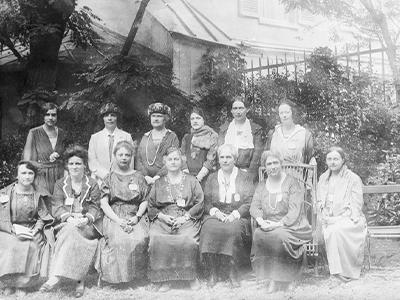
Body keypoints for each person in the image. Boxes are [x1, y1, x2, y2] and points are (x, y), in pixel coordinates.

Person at [40, 145, 103, 298]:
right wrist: (69, 218)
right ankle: (79, 280)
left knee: (74, 231)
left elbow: (96, 206)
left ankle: (56, 276)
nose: (74, 167)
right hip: (66, 223)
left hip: (86, 224)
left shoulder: (92, 184)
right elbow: (57, 207)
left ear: (84, 165)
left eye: (78, 163)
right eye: (71, 163)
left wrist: (86, 218)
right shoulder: (60, 184)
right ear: (67, 166)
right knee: (70, 230)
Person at [250, 150, 312, 293]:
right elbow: (254, 206)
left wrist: (278, 224)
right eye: (269, 164)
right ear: (265, 167)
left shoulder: (292, 183)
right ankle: (272, 277)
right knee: (259, 234)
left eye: (275, 163)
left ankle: (289, 277)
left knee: (279, 236)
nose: (273, 167)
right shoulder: (261, 185)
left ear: (281, 164)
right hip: (269, 224)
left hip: (293, 225)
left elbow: (295, 211)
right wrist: (261, 221)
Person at [147, 146, 204, 292]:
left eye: (176, 159)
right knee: (157, 238)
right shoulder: (158, 182)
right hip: (164, 218)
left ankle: (190, 277)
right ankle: (165, 279)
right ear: (165, 161)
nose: (173, 162)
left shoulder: (192, 180)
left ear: (182, 160)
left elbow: (199, 203)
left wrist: (185, 217)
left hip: (186, 217)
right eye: (170, 159)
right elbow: (151, 205)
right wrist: (162, 216)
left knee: (188, 238)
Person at [200, 144, 255, 288]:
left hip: (238, 215)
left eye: (228, 157)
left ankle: (232, 271)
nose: (225, 160)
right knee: (208, 229)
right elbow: (206, 203)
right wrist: (216, 212)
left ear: (235, 159)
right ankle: (213, 272)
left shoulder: (244, 177)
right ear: (218, 159)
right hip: (216, 215)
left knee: (232, 230)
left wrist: (234, 215)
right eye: (222, 157)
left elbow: (249, 202)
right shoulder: (212, 178)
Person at [96, 141, 149, 284]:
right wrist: (118, 221)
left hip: (135, 213)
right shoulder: (109, 177)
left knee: (140, 238)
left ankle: (136, 278)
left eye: (127, 155)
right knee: (118, 239)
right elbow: (104, 203)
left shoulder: (138, 176)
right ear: (114, 156)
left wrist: (137, 217)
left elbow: (145, 199)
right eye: (120, 155)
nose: (124, 158)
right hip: (115, 215)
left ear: (131, 157)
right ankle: (117, 279)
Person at [0, 161, 53, 297]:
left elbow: (43, 216)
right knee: (11, 245)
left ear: (34, 176)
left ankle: (22, 285)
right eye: (23, 173)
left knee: (33, 245)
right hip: (10, 229)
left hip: (31, 229)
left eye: (30, 173)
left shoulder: (39, 194)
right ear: (17, 175)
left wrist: (36, 229)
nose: (27, 176)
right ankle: (8, 283)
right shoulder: (6, 193)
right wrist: (13, 229)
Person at [316, 147, 367, 286]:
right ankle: (336, 272)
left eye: (336, 159)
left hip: (350, 218)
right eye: (329, 159)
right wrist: (323, 212)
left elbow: (356, 205)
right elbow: (319, 200)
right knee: (330, 229)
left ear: (343, 160)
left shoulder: (353, 178)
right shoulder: (323, 178)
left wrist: (337, 219)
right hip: (328, 218)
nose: (332, 162)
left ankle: (339, 273)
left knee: (335, 230)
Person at [22, 102, 66, 196]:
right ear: (43, 116)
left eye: (53, 115)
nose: (50, 118)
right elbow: (27, 160)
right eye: (47, 114)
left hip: (59, 176)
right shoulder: (34, 133)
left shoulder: (62, 133)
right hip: (41, 177)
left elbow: (65, 156)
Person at [88, 102, 135, 185]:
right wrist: (107, 176)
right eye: (106, 115)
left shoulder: (126, 136)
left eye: (113, 115)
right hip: (100, 180)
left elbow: (130, 162)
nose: (109, 118)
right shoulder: (95, 138)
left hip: (121, 180)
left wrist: (124, 178)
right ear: (102, 118)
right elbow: (92, 162)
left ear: (117, 118)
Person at [218, 96, 263, 178]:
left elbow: (257, 155)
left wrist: (249, 175)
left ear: (247, 109)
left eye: (241, 108)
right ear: (231, 110)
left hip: (247, 172)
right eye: (235, 108)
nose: (238, 112)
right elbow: (220, 152)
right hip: (227, 172)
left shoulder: (255, 130)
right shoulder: (224, 130)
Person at [136, 103, 179, 185]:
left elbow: (174, 159)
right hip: (146, 181)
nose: (156, 119)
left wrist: (158, 176)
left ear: (165, 118)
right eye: (153, 116)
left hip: (166, 179)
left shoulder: (172, 136)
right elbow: (138, 160)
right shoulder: (145, 137)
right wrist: (146, 176)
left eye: (159, 116)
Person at [181, 107, 218, 187]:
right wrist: (188, 177)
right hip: (187, 179)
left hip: (205, 179)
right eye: (192, 119)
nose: (195, 121)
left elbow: (211, 160)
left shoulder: (211, 136)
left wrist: (198, 178)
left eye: (198, 118)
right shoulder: (186, 138)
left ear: (203, 120)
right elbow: (182, 157)